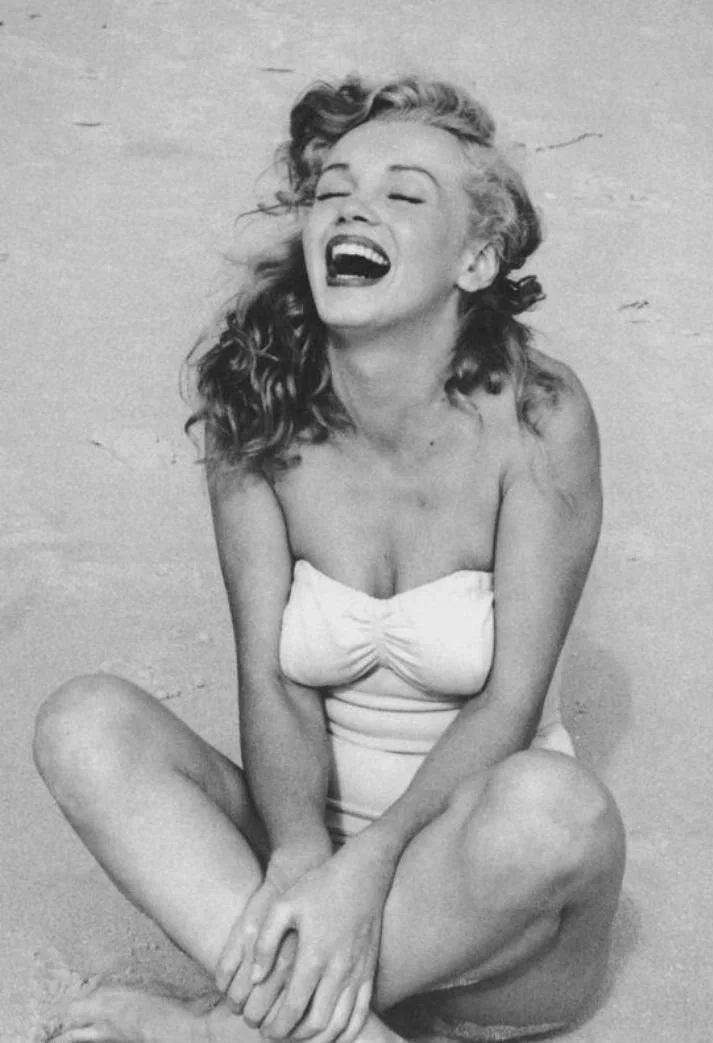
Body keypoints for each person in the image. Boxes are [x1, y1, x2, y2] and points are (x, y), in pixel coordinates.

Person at [34, 75, 625, 1043]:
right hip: (300, 869)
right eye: (334, 189)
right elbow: (270, 683)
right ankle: (327, 1025)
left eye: (403, 193)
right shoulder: (254, 405)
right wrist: (306, 854)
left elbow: (508, 705)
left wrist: (368, 867)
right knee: (82, 725)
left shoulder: (538, 420)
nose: (353, 207)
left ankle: (228, 1026)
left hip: (488, 912)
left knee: (558, 811)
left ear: (476, 257)